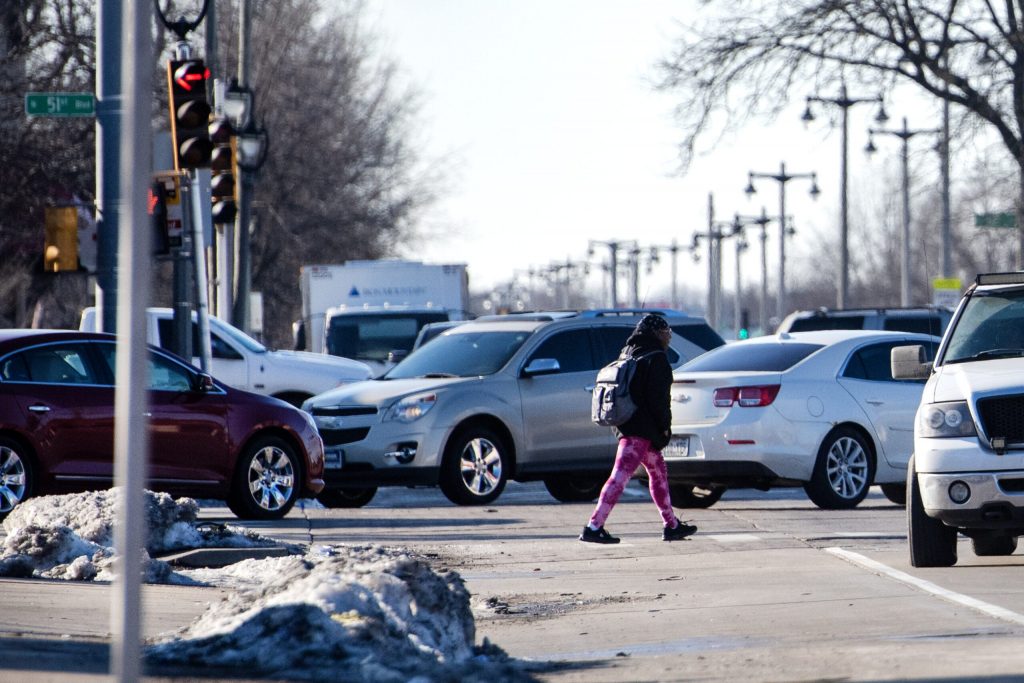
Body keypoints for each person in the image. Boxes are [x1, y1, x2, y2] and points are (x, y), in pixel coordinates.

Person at [579, 314, 697, 544]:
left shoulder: (628, 353)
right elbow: (659, 400)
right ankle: (593, 526)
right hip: (641, 430)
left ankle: (671, 524)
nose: (668, 337)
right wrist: (664, 428)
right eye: (665, 333)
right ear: (656, 334)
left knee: (658, 472)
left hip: (626, 424)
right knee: (619, 476)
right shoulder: (656, 359)